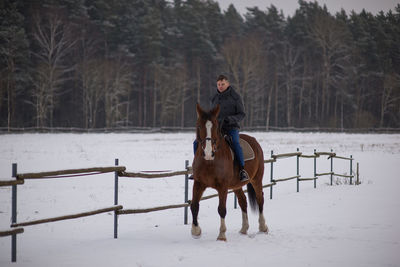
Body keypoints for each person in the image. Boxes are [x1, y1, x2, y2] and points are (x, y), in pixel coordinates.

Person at [191, 74, 249, 182]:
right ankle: (197, 169)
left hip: (231, 127)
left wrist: (229, 119)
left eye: (223, 84)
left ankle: (241, 170)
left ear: (228, 84)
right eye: (218, 84)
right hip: (216, 128)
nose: (220, 86)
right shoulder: (214, 97)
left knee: (235, 143)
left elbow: (242, 114)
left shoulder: (236, 97)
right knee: (197, 142)